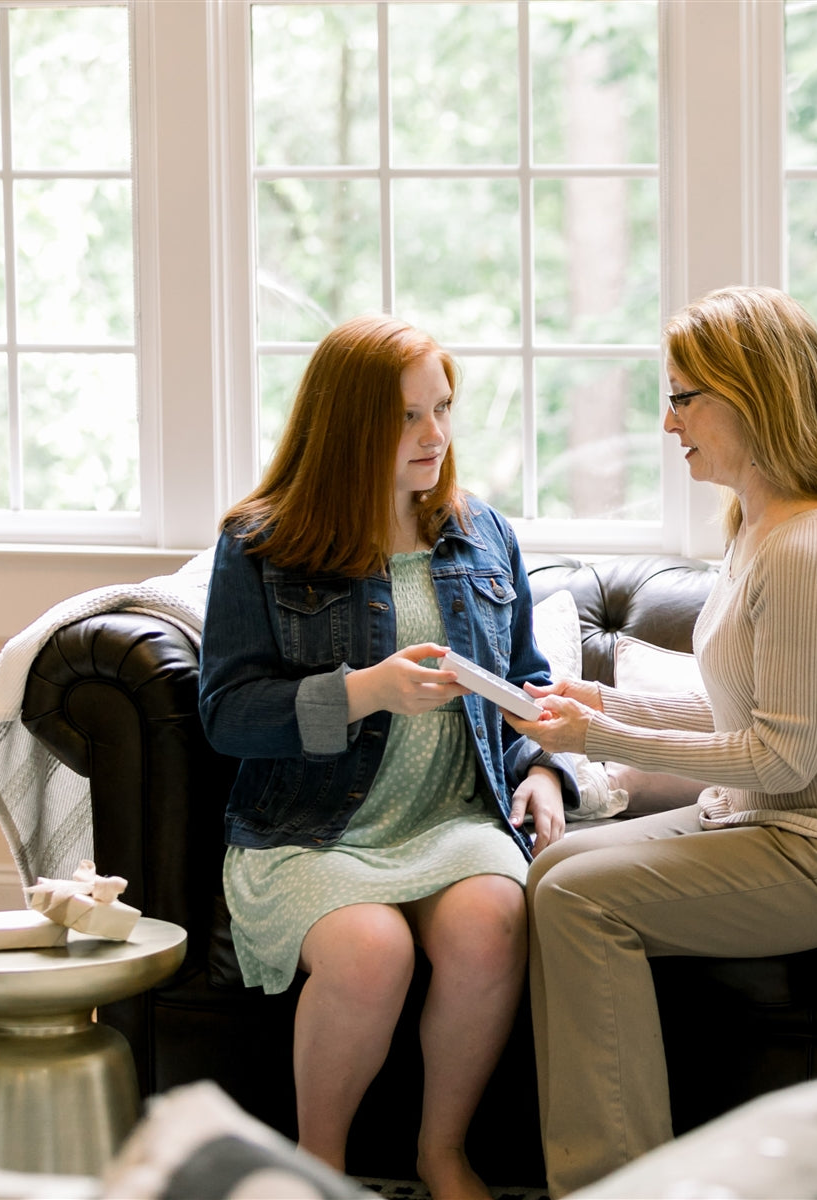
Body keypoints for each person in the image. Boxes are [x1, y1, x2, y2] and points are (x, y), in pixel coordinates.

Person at [505, 285, 817, 1198]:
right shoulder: (755, 527)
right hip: (783, 823)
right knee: (551, 874)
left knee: (580, 901)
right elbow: (745, 718)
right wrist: (602, 702)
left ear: (752, 395)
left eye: (682, 397)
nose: (668, 423)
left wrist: (600, 732)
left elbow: (783, 759)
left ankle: (616, 1184)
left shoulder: (809, 546)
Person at [197, 314, 575, 1200]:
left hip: (452, 818)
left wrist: (545, 769)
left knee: (494, 923)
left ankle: (441, 1153)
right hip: (313, 829)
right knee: (370, 952)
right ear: (346, 423)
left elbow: (524, 682)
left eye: (441, 409)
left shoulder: (483, 535)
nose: (435, 437)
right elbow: (226, 713)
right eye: (408, 416)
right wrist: (363, 690)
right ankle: (316, 1167)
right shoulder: (261, 543)